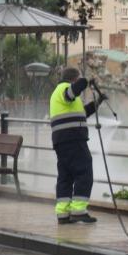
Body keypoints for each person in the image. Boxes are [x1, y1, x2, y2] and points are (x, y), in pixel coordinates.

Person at [49, 67, 105, 225]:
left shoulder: (60, 94)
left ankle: (63, 213)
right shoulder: (64, 89)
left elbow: (83, 113)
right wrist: (86, 80)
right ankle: (79, 210)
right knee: (84, 170)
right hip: (73, 139)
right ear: (74, 79)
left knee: (66, 176)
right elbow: (73, 91)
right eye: (78, 79)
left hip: (62, 141)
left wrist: (98, 103)